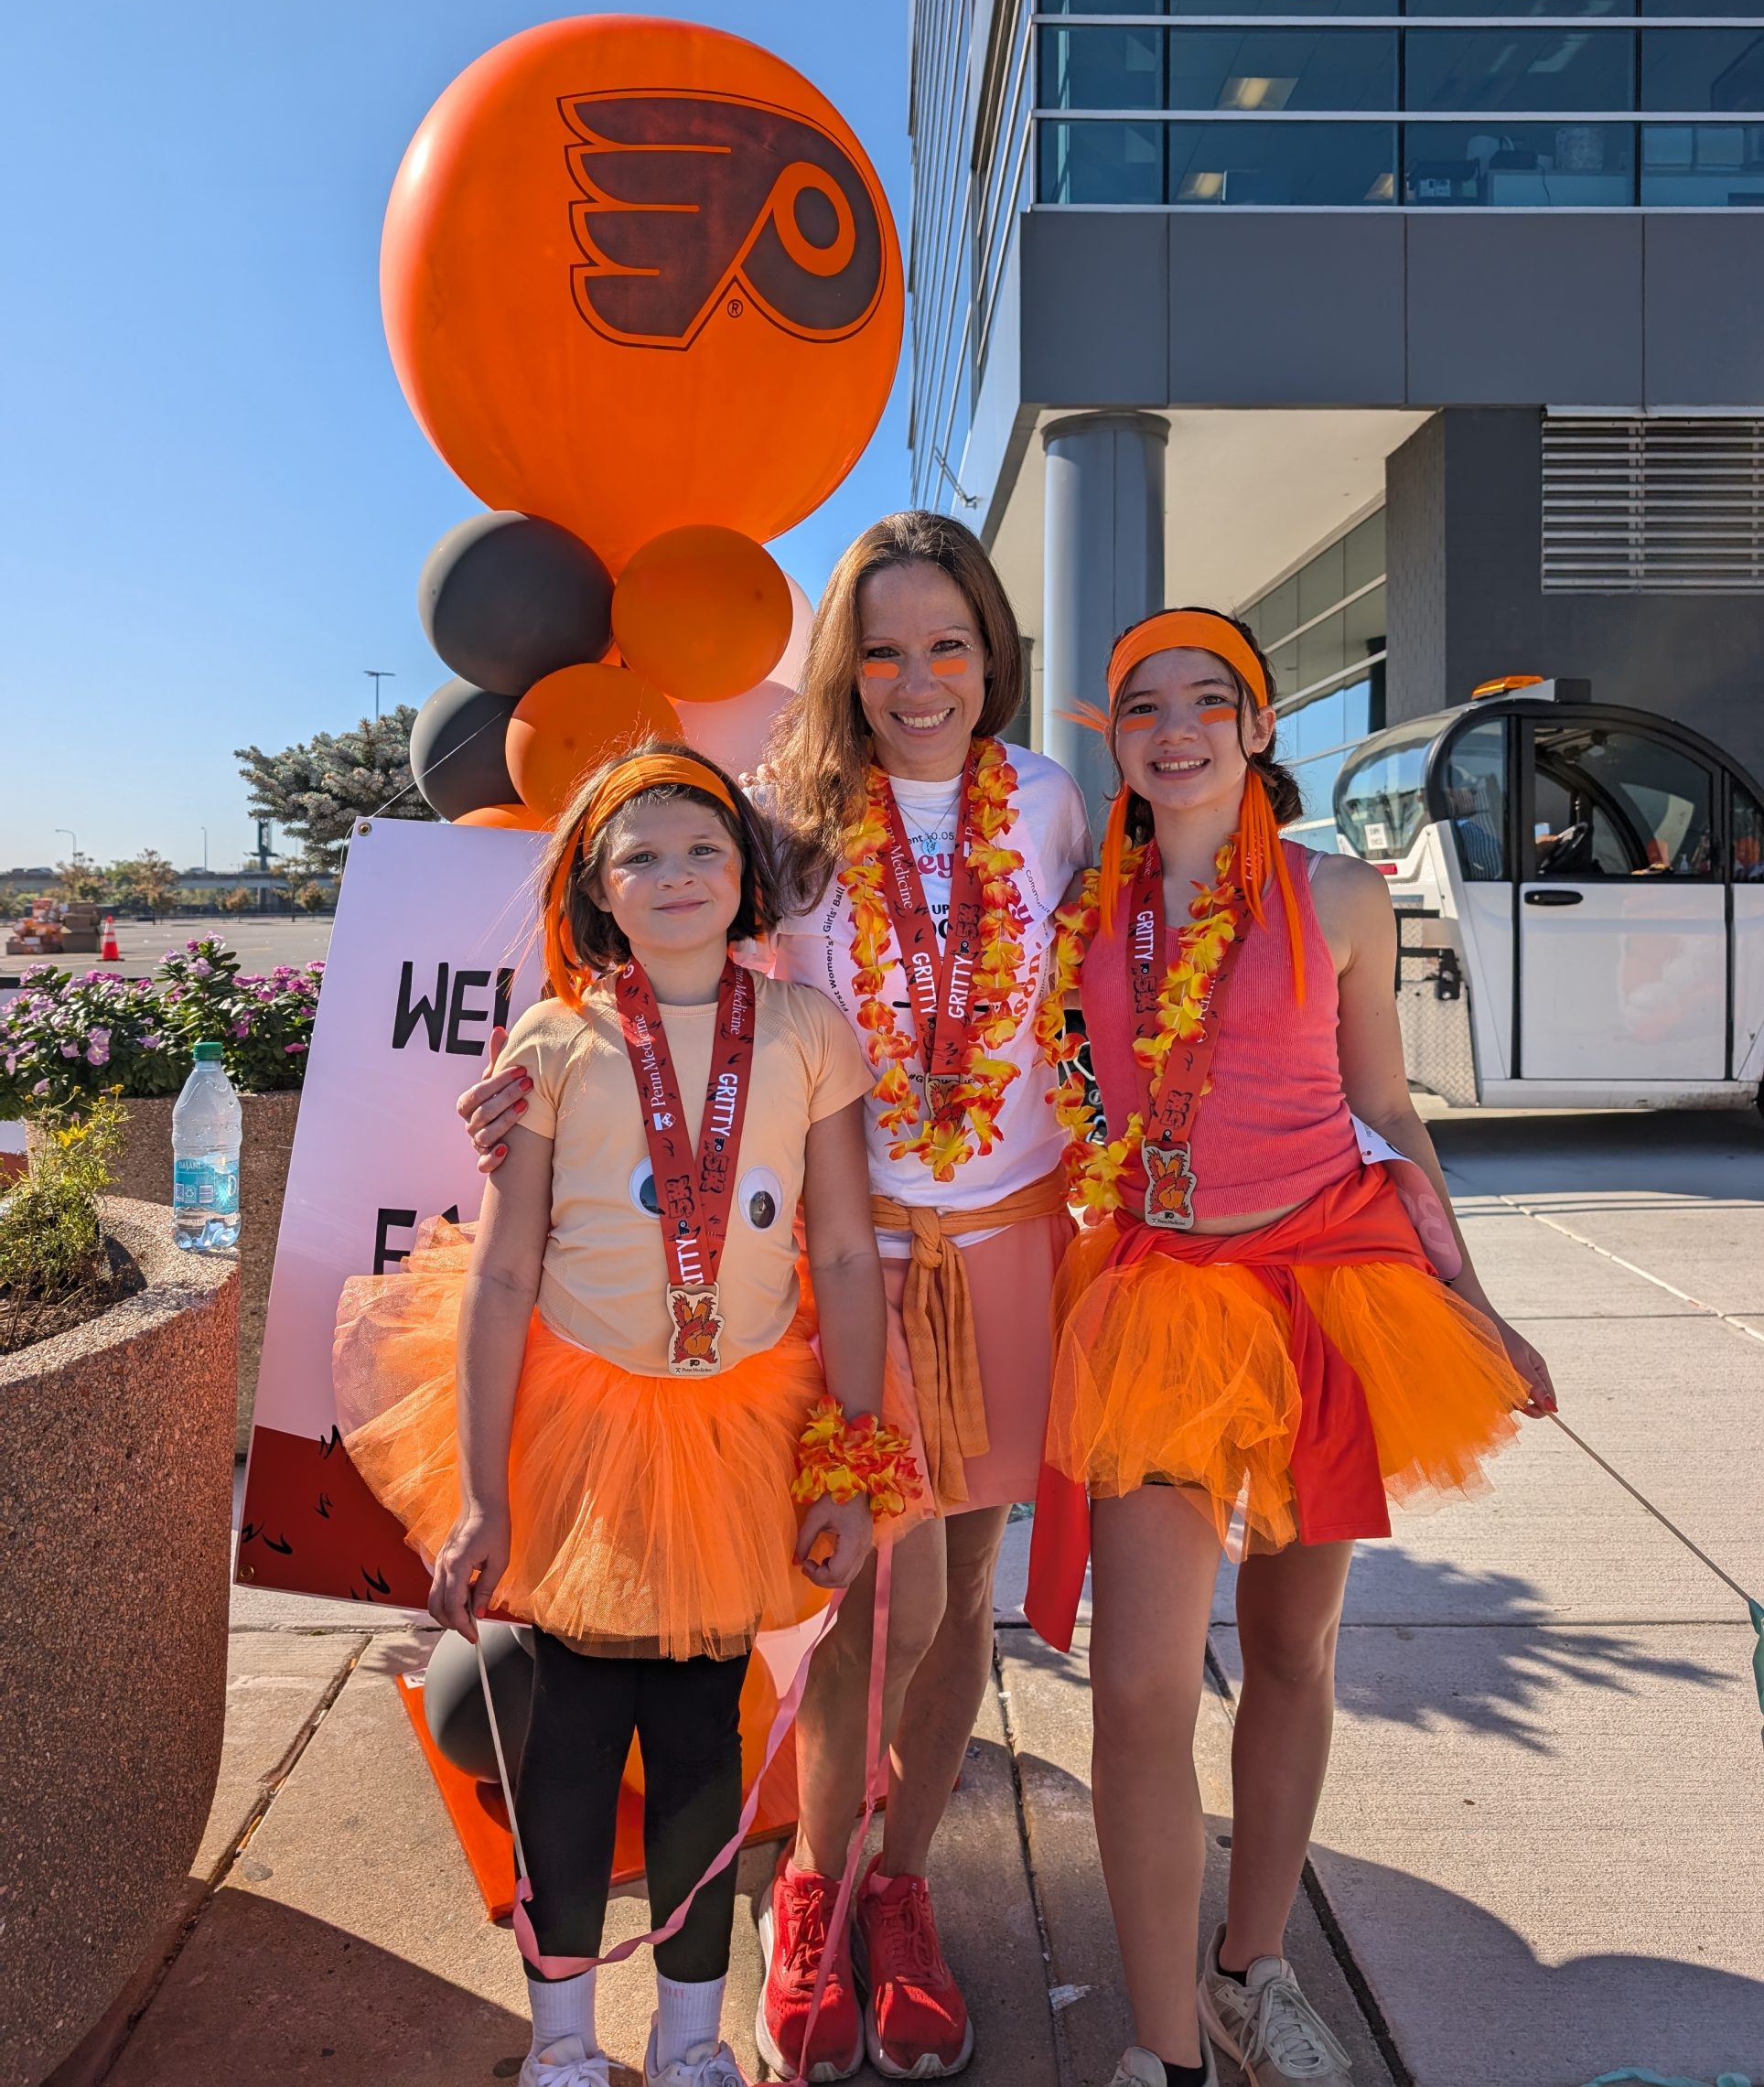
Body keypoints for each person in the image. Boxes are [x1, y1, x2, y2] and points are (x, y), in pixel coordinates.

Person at [462, 514, 1091, 2082]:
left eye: (949, 645)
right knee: (882, 1596)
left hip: (1007, 1235)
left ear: (994, 655)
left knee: (964, 1600)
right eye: (883, 649)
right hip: (844, 1254)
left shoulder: (1052, 805)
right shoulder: (790, 819)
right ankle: (809, 1885)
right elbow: (666, 972)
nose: (919, 680)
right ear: (841, 667)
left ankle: (897, 1888)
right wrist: (524, 1093)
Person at [1026, 609, 1555, 2087]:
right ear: (1116, 739)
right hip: (1162, 1302)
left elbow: (1387, 1111)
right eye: (1143, 706)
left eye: (1212, 700)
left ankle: (1250, 1970)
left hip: (1329, 1290)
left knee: (1290, 1649)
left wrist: (1477, 1299)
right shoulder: (1079, 913)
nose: (1176, 729)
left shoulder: (1340, 895)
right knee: (1139, 1684)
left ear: (1260, 728)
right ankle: (1162, 2050)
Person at [335, 747, 918, 2087]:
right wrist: (484, 1493)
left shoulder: (808, 1031)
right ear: (596, 891)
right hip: (585, 1428)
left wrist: (849, 1459)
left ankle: (692, 2040)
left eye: (703, 849)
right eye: (638, 857)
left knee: (704, 1745)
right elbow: (502, 1276)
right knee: (574, 1746)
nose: (675, 876)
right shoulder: (554, 1042)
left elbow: (840, 1254)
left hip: (739, 1426)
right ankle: (562, 2044)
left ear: (746, 874)